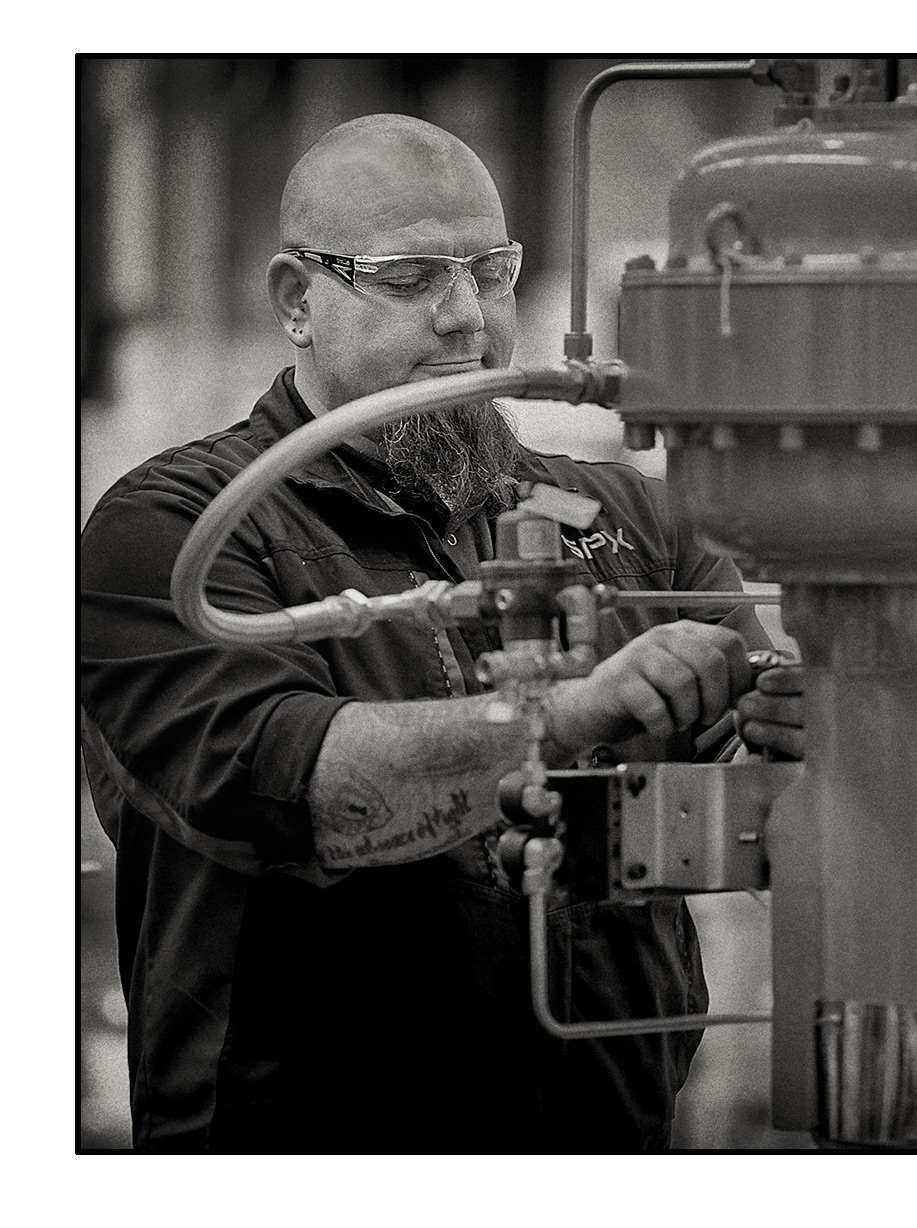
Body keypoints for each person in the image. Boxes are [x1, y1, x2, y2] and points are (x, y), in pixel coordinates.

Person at [77, 115, 802, 1149]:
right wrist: (560, 717)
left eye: (491, 272)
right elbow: (296, 788)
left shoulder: (634, 522)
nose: (467, 319)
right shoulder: (178, 531)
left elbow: (756, 800)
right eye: (410, 277)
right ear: (297, 301)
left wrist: (799, 731)